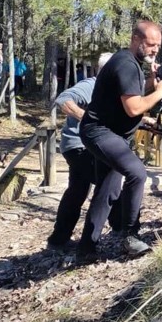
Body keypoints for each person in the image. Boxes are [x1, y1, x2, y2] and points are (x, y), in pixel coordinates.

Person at [76, 20, 162, 261]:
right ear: (136, 40)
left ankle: (86, 248)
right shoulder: (126, 64)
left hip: (110, 133)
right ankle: (130, 235)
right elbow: (133, 107)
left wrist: (151, 82)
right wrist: (160, 93)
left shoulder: (132, 64)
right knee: (137, 172)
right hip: (101, 131)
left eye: (158, 45)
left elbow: (131, 94)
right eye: (150, 44)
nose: (154, 50)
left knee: (107, 189)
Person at [47, 52, 121, 250]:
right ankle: (120, 230)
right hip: (78, 146)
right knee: (108, 183)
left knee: (77, 191)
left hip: (90, 146)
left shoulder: (114, 90)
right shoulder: (92, 85)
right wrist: (88, 119)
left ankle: (58, 240)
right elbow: (63, 99)